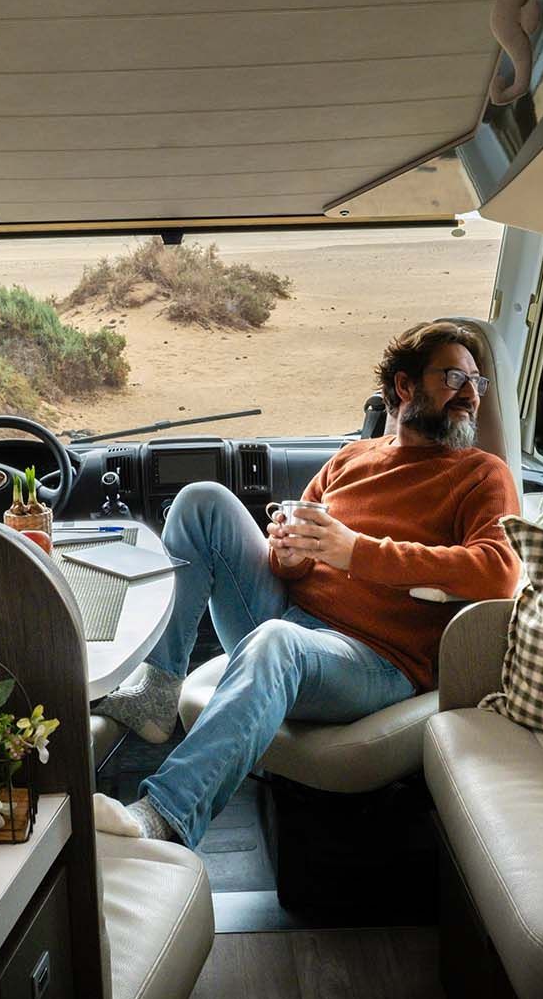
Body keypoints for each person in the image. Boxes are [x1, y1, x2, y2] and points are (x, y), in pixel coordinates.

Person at [94, 320, 520, 846]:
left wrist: (357, 552)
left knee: (278, 643)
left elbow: (500, 572)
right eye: (454, 377)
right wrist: (289, 551)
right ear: (406, 387)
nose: (470, 395)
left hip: (377, 661)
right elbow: (296, 557)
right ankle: (161, 688)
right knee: (202, 500)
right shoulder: (351, 458)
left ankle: (164, 817)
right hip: (293, 619)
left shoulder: (482, 474)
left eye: (477, 383)